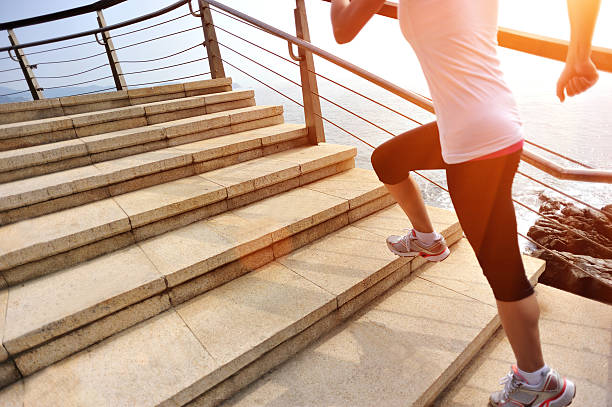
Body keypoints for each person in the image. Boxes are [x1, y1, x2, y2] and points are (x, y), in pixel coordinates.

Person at [330, 0, 601, 406]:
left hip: (476, 146)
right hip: (483, 125)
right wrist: (576, 55)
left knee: (503, 271)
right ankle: (426, 238)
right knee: (388, 159)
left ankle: (538, 382)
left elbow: (343, 28)